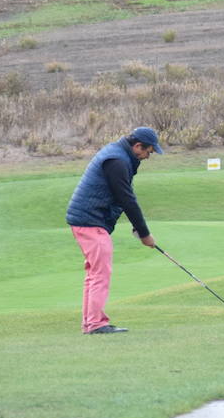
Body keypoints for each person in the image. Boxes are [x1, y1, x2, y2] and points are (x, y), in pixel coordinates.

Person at [66, 126, 163, 334]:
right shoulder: (117, 161)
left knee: (94, 273)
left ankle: (90, 323)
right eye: (148, 152)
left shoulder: (119, 155)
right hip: (89, 220)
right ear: (138, 146)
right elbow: (127, 199)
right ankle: (96, 324)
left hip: (86, 219)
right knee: (100, 272)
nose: (148, 156)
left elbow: (123, 196)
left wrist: (138, 228)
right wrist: (145, 234)